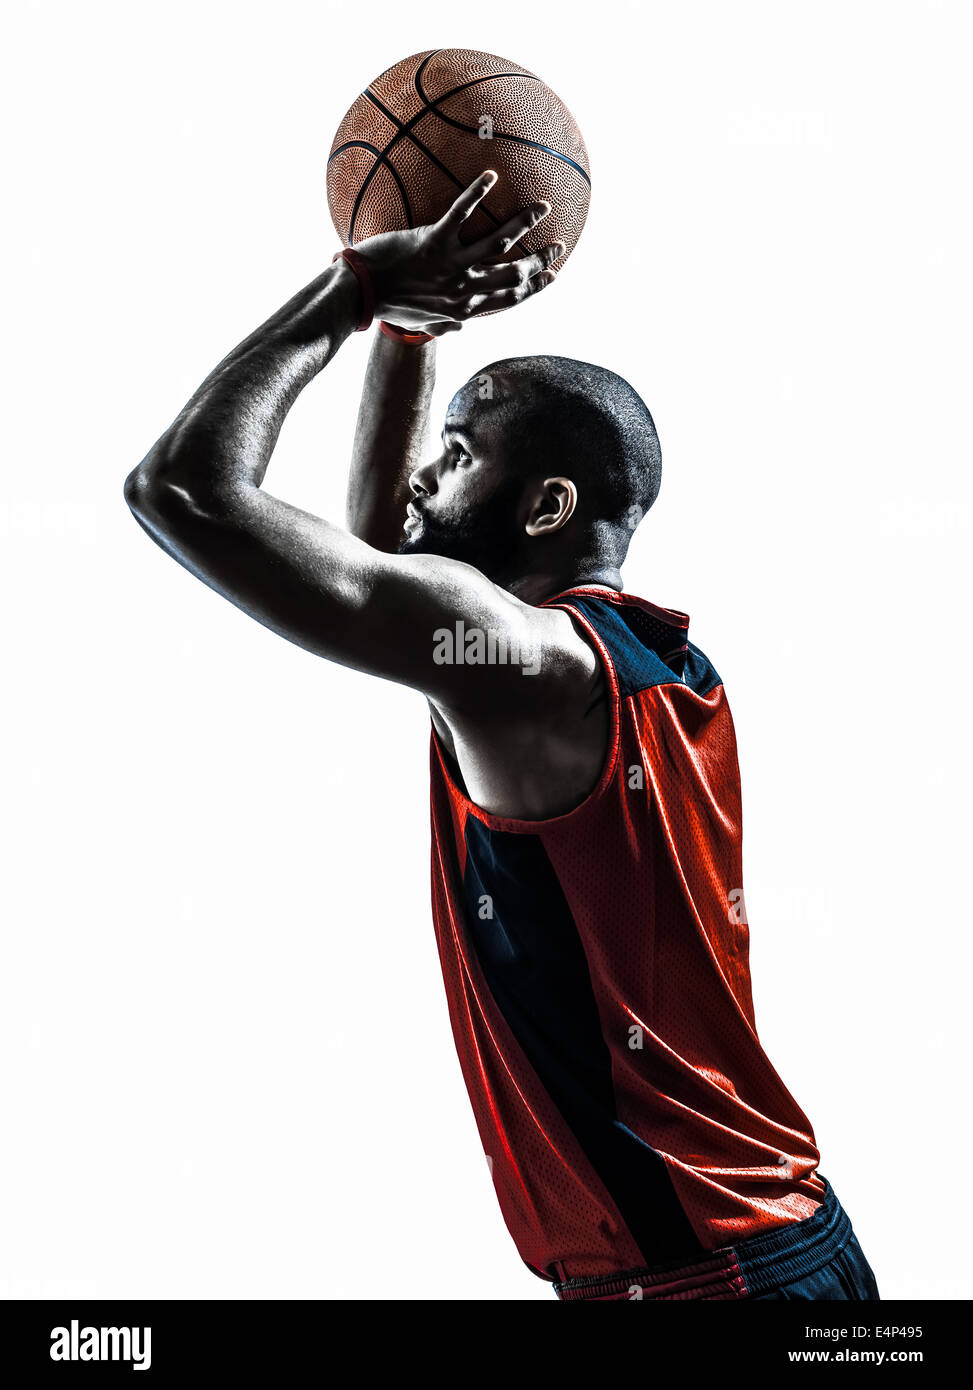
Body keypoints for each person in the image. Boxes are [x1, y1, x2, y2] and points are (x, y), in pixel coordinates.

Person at [124, 170, 880, 1301]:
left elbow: (182, 492)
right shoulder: (637, 664)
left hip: (701, 1278)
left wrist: (355, 286)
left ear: (545, 509)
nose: (426, 472)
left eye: (460, 452)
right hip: (785, 1245)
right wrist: (410, 330)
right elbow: (385, 554)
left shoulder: (522, 664)